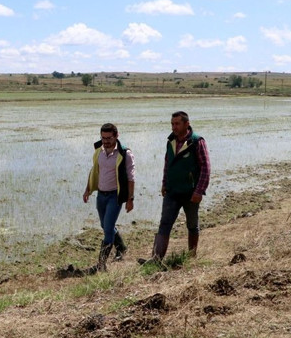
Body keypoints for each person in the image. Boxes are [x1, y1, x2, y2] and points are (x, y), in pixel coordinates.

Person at [147, 110, 211, 263]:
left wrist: (199, 191)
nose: (174, 127)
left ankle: (191, 256)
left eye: (177, 124)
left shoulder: (197, 142)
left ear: (186, 124)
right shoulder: (170, 141)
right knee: (164, 224)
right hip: (172, 192)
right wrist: (164, 183)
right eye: (172, 124)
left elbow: (205, 167)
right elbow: (167, 164)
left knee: (192, 225)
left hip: (191, 193)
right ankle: (156, 259)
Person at [83, 123, 135, 272]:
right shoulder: (99, 151)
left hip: (115, 196)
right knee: (106, 226)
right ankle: (122, 248)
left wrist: (130, 199)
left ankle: (101, 265)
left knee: (107, 229)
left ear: (116, 136)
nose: (105, 141)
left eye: (109, 138)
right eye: (103, 138)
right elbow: (94, 171)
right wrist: (87, 189)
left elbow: (131, 178)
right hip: (101, 195)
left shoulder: (125, 154)